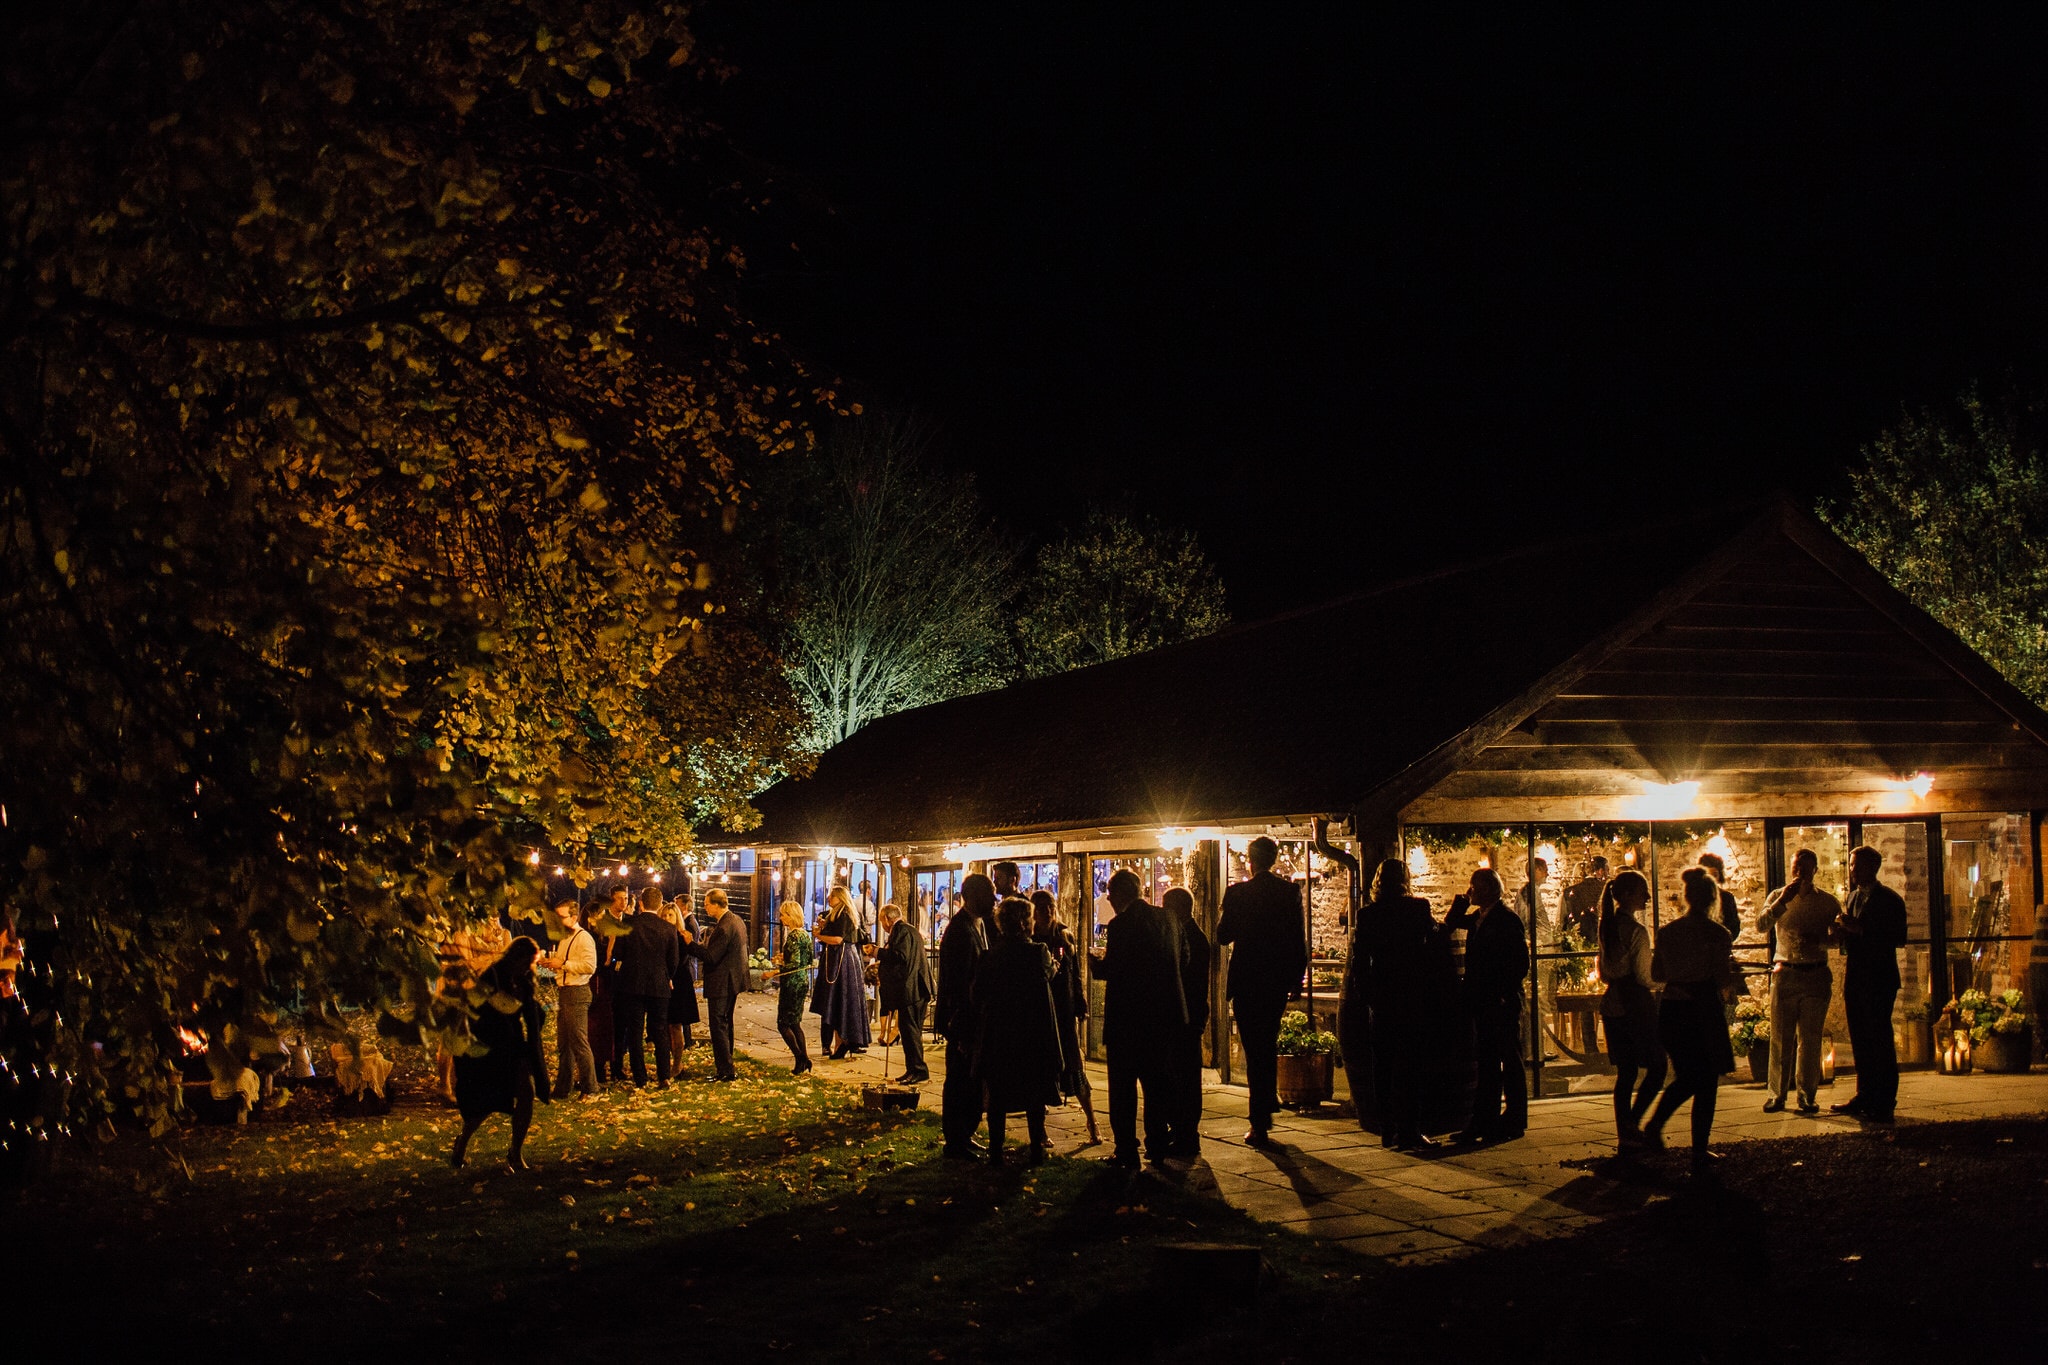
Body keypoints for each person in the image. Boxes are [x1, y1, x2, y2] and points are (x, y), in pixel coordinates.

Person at [1089, 868, 1192, 1168]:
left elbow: (1114, 970)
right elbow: (1183, 959)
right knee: (1156, 1084)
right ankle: (1157, 1144)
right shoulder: (1170, 919)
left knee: (1123, 1088)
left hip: (1129, 1021)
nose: (1109, 899)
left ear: (1120, 894)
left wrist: (1096, 964)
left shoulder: (1121, 924)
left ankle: (1126, 1149)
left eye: (1110, 894)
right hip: (1165, 1018)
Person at [1641, 868, 1741, 1173]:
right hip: (1702, 1010)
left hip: (1672, 1009)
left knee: (1687, 1075)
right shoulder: (1718, 935)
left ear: (1686, 897)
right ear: (1714, 899)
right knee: (1705, 1081)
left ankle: (1656, 1126)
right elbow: (1721, 977)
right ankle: (1697, 1148)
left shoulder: (1668, 932)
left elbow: (1657, 975)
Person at [1215, 837, 1309, 1148]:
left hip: (1246, 980)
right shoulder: (1288, 892)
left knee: (1254, 1048)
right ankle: (1264, 1109)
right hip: (1274, 981)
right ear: (1275, 859)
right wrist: (1296, 978)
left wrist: (1228, 912)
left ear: (1251, 861)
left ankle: (1260, 1119)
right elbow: (1298, 939)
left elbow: (1222, 936)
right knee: (1265, 1043)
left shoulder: (1237, 893)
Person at [1350, 858, 1439, 1149]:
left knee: (1383, 1067)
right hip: (1411, 995)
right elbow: (1433, 945)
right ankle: (1410, 1129)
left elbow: (1360, 961)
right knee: (1411, 1066)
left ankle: (1387, 1129)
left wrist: (1367, 997)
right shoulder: (1417, 908)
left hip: (1383, 997)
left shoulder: (1368, 915)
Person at [971, 896, 1066, 1165]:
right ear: (1025, 923)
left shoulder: (991, 957)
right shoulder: (1037, 953)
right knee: (1034, 1095)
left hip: (1000, 1034)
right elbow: (1048, 973)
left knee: (998, 1096)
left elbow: (977, 993)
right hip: (1032, 1033)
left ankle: (996, 1150)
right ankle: (1036, 1147)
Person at [452, 937, 551, 1171]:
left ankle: (515, 1152)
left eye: (530, 963)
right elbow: (474, 1012)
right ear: (514, 958)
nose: (527, 967)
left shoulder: (525, 982)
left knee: (526, 1095)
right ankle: (462, 1143)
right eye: (525, 962)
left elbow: (531, 1015)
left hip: (513, 1047)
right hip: (489, 1047)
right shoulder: (492, 976)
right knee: (484, 1104)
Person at [1754, 848, 1841, 1114]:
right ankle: (1776, 1095)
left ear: (1815, 870)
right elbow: (1760, 925)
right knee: (1781, 1037)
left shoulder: (1827, 902)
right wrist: (1782, 900)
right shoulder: (1777, 896)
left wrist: (1822, 941)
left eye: (1805, 867)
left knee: (1811, 1039)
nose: (1800, 872)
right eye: (1796, 867)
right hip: (1786, 972)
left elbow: (1839, 939)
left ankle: (1806, 1095)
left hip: (1815, 973)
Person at [1447, 867, 1529, 1143]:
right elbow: (1452, 922)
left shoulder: (1507, 919)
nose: (1471, 890)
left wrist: (1504, 994)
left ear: (1487, 889)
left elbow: (1520, 963)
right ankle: (1484, 1121)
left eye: (1474, 886)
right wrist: (1462, 899)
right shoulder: (1478, 918)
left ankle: (1515, 1120)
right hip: (1481, 1002)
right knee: (1488, 1064)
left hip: (1501, 1003)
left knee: (1510, 1061)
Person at [1834, 844, 1908, 1122]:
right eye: (1851, 865)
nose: (1851, 870)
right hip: (1856, 977)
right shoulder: (1852, 898)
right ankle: (1864, 1094)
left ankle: (1885, 1100)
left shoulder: (1890, 900)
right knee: (1860, 1039)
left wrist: (1861, 929)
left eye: (1856, 865)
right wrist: (1843, 931)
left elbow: (1898, 937)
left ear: (1871, 867)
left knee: (1880, 1039)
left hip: (1879, 978)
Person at [1596, 869, 1665, 1147]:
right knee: (1658, 1066)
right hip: (1635, 1005)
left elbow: (1603, 972)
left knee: (1626, 1073)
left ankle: (1626, 1132)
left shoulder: (1607, 926)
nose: (1647, 897)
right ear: (1626, 896)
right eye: (1641, 892)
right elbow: (1644, 977)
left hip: (1613, 1004)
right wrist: (1667, 980)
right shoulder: (1636, 931)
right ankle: (1632, 1124)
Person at [1032, 889, 1100, 1145]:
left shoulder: (1064, 935)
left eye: (1050, 906)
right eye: (1041, 907)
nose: (1047, 911)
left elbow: (1075, 973)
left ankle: (1092, 1123)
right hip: (1042, 1012)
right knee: (1042, 1069)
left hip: (1064, 1009)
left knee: (1075, 1065)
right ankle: (1039, 1130)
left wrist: (1080, 1001)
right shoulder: (1032, 939)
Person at [936, 874, 994, 1159]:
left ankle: (966, 1134)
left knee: (971, 1080)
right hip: (962, 1017)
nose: (993, 900)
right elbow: (957, 981)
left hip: (974, 1015)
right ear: (970, 896)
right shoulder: (960, 930)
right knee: (959, 1079)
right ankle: (955, 1139)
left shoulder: (979, 925)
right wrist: (958, 1025)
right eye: (988, 894)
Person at [612, 885, 681, 1087]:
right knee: (660, 1030)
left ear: (641, 903)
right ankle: (664, 1075)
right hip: (659, 985)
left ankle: (640, 1077)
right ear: (660, 904)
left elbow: (619, 953)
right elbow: (674, 960)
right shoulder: (668, 929)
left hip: (632, 984)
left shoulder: (629, 925)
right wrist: (668, 975)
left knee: (635, 1031)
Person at [1163, 886, 1210, 1158]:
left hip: (1188, 1017)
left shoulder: (1192, 938)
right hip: (1184, 1016)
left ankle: (1187, 1134)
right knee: (1177, 1076)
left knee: (1186, 1078)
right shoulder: (1188, 935)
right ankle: (1180, 1129)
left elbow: (1187, 981)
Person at [686, 888, 748, 1082]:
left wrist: (691, 944)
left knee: (718, 1024)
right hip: (733, 979)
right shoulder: (736, 920)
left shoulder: (723, 927)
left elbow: (711, 957)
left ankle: (725, 1069)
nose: (705, 908)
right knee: (725, 1022)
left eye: (706, 904)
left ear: (716, 904)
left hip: (722, 981)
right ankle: (727, 1063)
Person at [539, 899, 599, 1100]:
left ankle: (590, 1088)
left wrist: (563, 963)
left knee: (579, 1042)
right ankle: (562, 1088)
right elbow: (564, 964)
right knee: (564, 1043)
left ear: (573, 917)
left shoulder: (584, 938)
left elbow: (589, 966)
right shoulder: (564, 938)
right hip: (565, 991)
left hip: (578, 992)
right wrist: (553, 964)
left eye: (561, 917)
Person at [810, 885, 872, 1059]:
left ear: (840, 898)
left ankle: (841, 1042)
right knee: (839, 1001)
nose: (829, 898)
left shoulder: (843, 915)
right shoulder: (840, 915)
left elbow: (837, 939)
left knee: (837, 999)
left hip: (840, 961)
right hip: (842, 959)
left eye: (832, 896)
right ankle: (839, 1042)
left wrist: (820, 936)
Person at [877, 901, 933, 1083]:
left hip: (912, 989)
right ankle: (912, 1069)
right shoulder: (907, 930)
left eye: (881, 921)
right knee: (908, 1031)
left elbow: (900, 956)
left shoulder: (901, 931)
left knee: (910, 1031)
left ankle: (918, 1069)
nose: (883, 926)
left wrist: (879, 952)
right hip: (913, 988)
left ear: (886, 918)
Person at [774, 901, 816, 1074]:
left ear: (791, 916)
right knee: (795, 1023)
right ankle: (803, 1060)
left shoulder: (793, 936)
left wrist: (775, 970)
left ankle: (801, 1057)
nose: (781, 917)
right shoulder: (805, 934)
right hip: (803, 981)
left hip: (792, 983)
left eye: (783, 914)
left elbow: (795, 963)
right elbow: (807, 959)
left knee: (783, 1024)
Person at [662, 894, 702, 1064]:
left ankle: (677, 1063)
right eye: (664, 915)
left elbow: (683, 958)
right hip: (664, 981)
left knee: (676, 1025)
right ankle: (668, 1060)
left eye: (670, 915)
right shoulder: (661, 936)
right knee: (665, 1025)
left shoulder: (682, 935)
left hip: (679, 982)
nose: (666, 918)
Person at [1696, 852, 1742, 941]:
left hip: (1721, 946)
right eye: (1709, 875)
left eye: (1715, 875)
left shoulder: (1727, 898)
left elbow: (1734, 927)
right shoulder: (1696, 897)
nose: (1712, 879)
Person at [1563, 856, 1607, 943]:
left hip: (1577, 940)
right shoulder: (1606, 890)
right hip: (1603, 939)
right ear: (1601, 871)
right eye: (1607, 870)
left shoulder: (1569, 891)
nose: (1608, 874)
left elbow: (1563, 918)